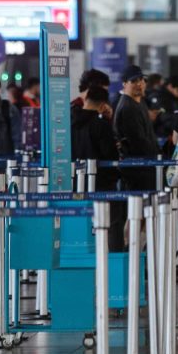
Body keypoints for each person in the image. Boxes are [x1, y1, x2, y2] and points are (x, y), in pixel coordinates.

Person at [112, 65, 160, 249]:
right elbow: (138, 141)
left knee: (140, 215)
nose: (139, 84)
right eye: (134, 81)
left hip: (144, 168)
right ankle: (130, 251)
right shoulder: (127, 106)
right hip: (137, 170)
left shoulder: (138, 103)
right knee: (136, 214)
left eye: (141, 80)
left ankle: (135, 252)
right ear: (124, 84)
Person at [71, 87, 122, 247]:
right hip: (102, 184)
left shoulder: (69, 123)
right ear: (102, 105)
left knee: (81, 225)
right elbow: (111, 155)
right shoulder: (100, 125)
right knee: (111, 223)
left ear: (86, 99)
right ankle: (113, 259)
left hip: (75, 184)